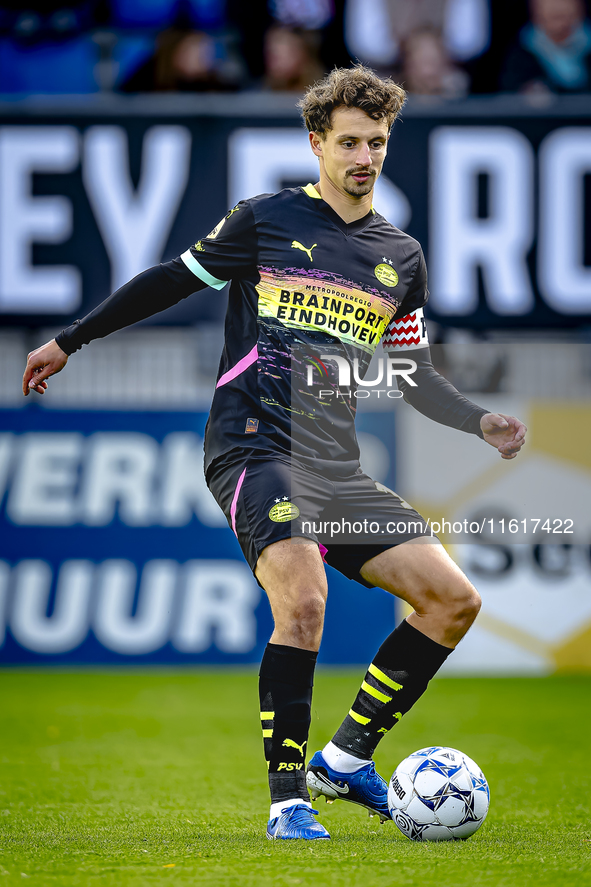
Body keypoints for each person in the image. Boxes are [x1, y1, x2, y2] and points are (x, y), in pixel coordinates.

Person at [22, 65, 526, 842]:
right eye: (350, 141)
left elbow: (413, 373)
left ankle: (345, 756)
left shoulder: (400, 256)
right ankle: (288, 798)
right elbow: (168, 281)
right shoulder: (264, 220)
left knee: (452, 600)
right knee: (303, 600)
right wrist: (71, 339)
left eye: (378, 142)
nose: (365, 156)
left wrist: (479, 419)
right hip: (254, 445)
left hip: (336, 467)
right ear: (317, 142)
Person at [500, 0, 591, 94]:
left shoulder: (587, 40)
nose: (558, 6)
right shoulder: (522, 49)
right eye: (555, 17)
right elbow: (509, 90)